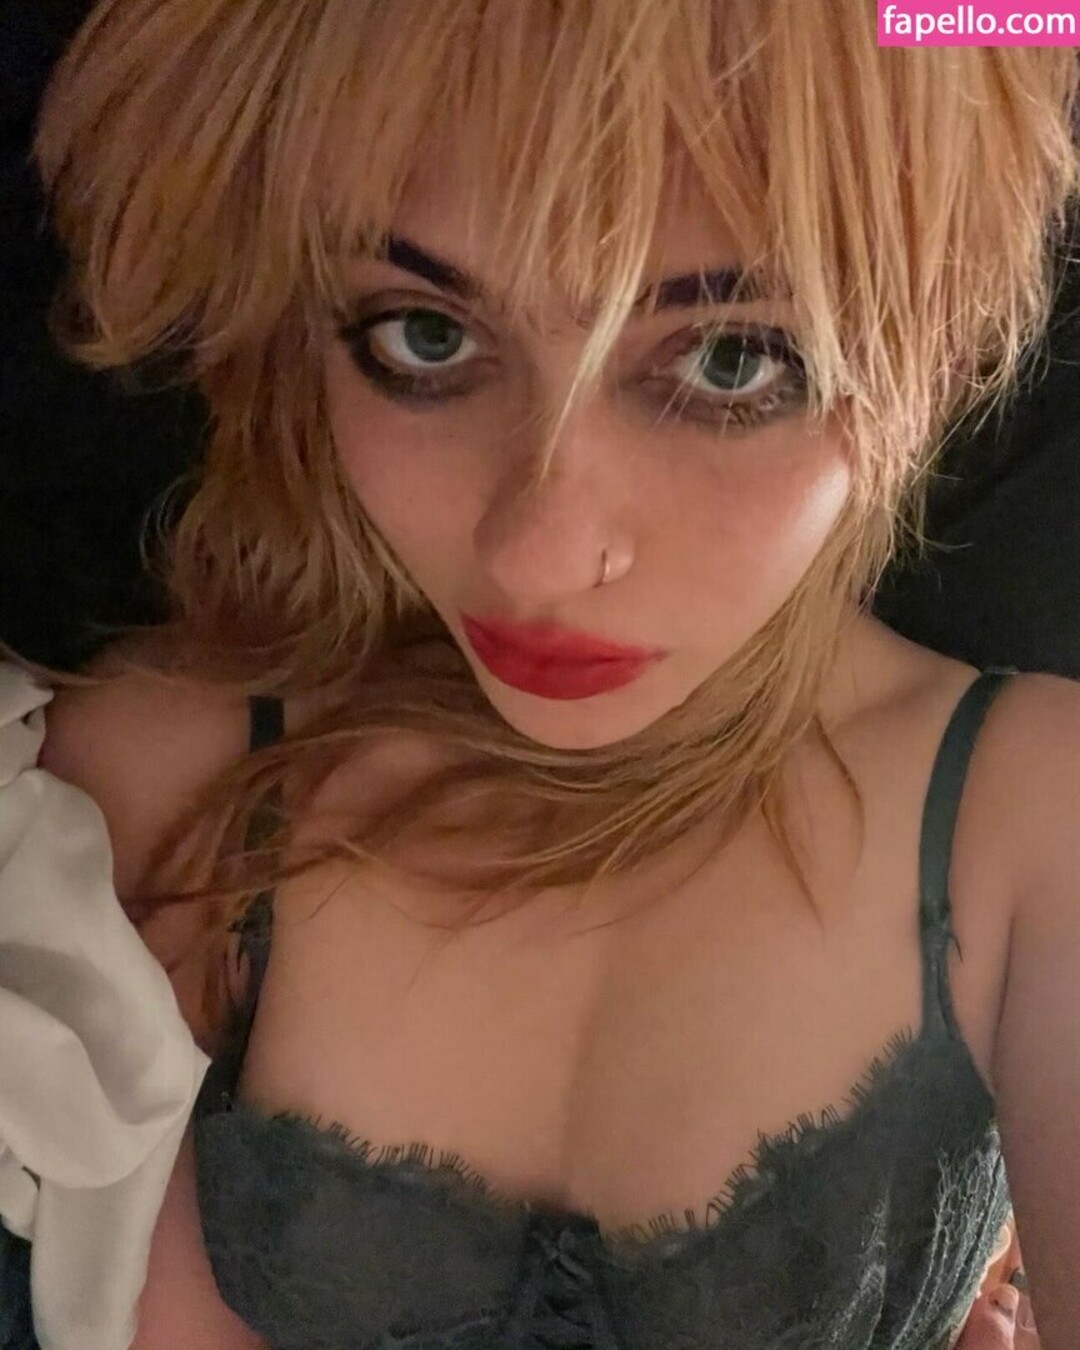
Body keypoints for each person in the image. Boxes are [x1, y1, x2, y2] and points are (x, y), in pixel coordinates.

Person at [5, 1, 1079, 1346]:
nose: (540, 554)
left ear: (934, 348)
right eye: (425, 335)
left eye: (731, 359)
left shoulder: (1033, 823)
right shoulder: (163, 791)